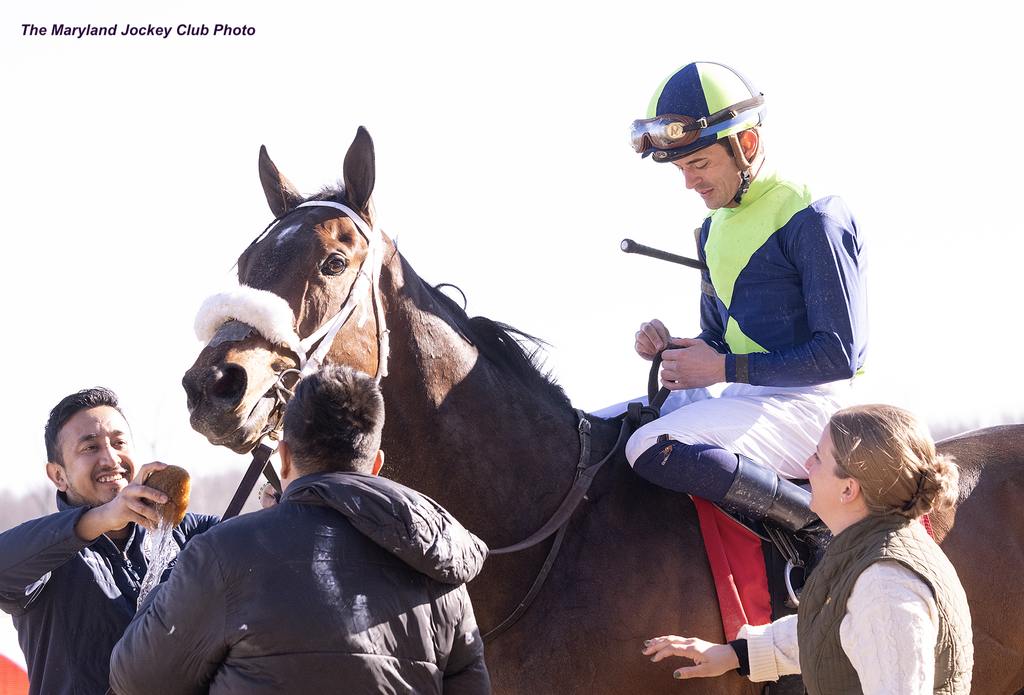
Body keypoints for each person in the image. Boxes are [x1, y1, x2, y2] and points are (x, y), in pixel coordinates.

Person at [110, 365, 491, 694]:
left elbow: (138, 681)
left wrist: (166, 585)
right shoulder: (438, 567)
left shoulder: (221, 554)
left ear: (285, 456)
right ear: (375, 464)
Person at [624, 61, 868, 534]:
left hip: (816, 407)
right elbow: (718, 338)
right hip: (744, 392)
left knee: (652, 446)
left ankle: (817, 534)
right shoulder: (713, 228)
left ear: (746, 145)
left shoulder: (814, 215)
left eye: (698, 164)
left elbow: (840, 354)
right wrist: (672, 348)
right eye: (680, 168)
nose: (689, 182)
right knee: (613, 429)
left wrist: (720, 369)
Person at [641, 404, 973, 694]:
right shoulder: (870, 552)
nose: (806, 465)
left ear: (848, 489)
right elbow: (834, 630)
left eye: (818, 457)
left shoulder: (885, 585)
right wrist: (736, 654)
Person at [0, 387, 218, 695]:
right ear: (58, 476)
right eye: (90, 448)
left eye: (119, 443)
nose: (111, 458)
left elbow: (253, 545)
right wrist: (102, 517)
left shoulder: (180, 531)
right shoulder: (46, 556)